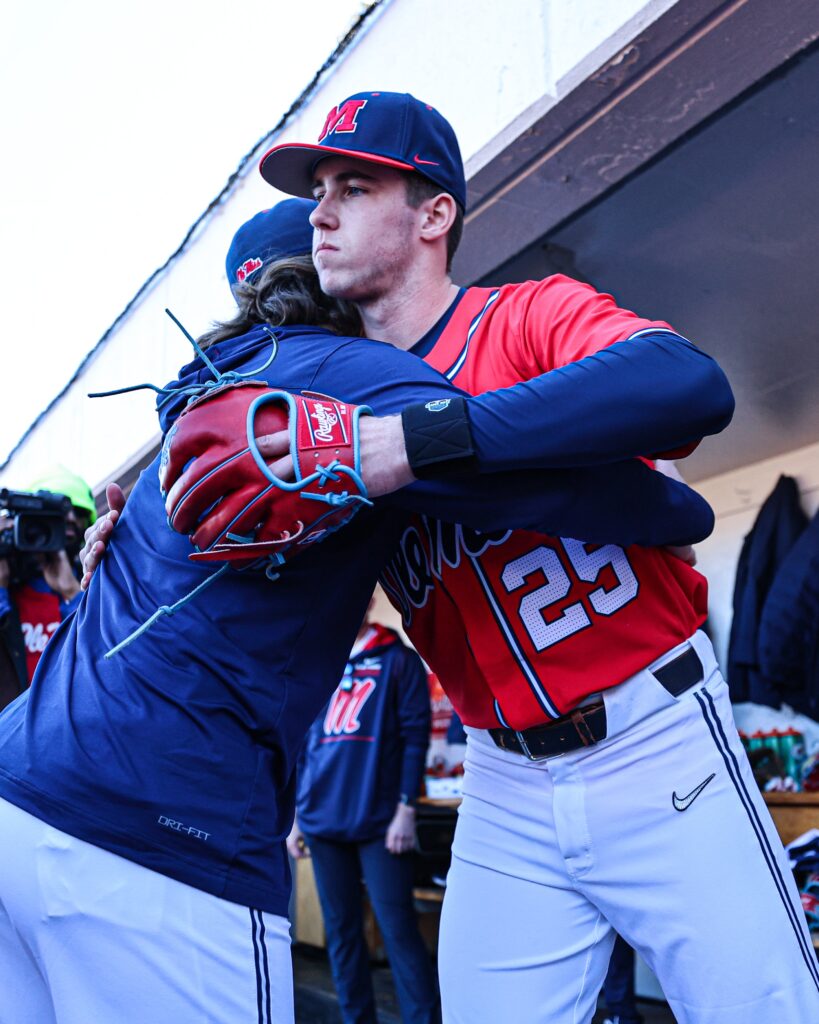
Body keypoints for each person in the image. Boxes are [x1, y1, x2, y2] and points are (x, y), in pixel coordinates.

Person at [179, 91, 811, 1022]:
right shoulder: (328, 402)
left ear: (434, 214)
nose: (320, 212)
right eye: (319, 191)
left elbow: (689, 386)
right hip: (503, 780)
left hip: (653, 736)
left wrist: (415, 444)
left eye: (353, 187)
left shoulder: (522, 317)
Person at [0, 204, 705, 1024]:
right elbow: (546, 481)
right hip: (161, 839)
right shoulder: (348, 372)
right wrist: (669, 517)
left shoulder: (192, 406)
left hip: (22, 794)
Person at [288, 602, 439, 1024]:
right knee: (342, 934)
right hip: (321, 818)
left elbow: (415, 737)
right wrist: (296, 817)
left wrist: (405, 809)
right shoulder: (319, 660)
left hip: (379, 821)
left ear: (369, 604)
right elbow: (301, 744)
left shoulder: (399, 659)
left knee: (398, 930)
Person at [0, 467, 95, 709]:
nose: (71, 518)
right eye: (60, 512)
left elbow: (103, 653)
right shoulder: (8, 586)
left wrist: (74, 594)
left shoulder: (96, 582)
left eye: (79, 512)